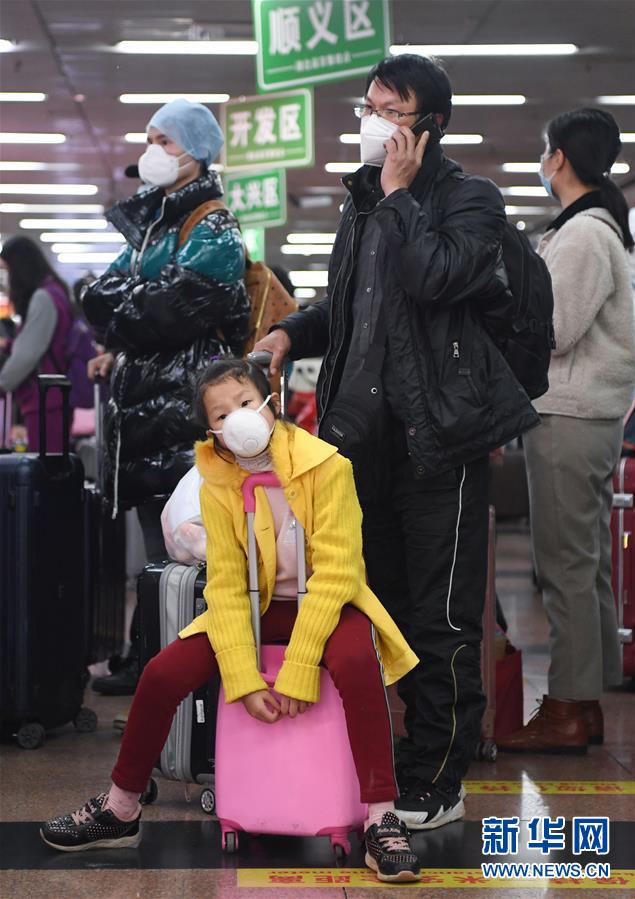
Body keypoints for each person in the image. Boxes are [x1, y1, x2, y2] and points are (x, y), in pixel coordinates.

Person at [254, 53, 538, 830]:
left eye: (391, 111)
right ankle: (395, 755)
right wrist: (288, 331)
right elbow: (351, 305)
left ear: (430, 125)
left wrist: (399, 195)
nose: (372, 122)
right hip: (360, 445)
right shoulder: (362, 202)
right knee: (376, 610)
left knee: (439, 616)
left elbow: (433, 276)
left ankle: (437, 777)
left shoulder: (468, 199)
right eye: (368, 106)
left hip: (437, 440)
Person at [41, 357, 422, 884]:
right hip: (253, 605)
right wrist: (243, 680)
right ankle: (120, 807)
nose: (236, 418)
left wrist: (298, 669)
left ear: (271, 403)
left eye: (245, 403)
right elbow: (223, 584)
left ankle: (382, 818)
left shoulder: (328, 466)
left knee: (358, 662)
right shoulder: (217, 482)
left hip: (328, 602)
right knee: (162, 673)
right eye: (220, 415)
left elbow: (339, 573)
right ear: (211, 431)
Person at [83, 99, 250, 695]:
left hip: (182, 415)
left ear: (198, 150)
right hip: (144, 418)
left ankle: (183, 668)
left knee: (186, 545)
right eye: (150, 138)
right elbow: (95, 295)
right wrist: (136, 303)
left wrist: (131, 306)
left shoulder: (213, 226)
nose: (153, 150)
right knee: (156, 552)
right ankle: (150, 656)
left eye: (166, 140)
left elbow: (170, 310)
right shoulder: (151, 224)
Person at [497, 108, 635, 755]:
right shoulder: (592, 228)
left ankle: (567, 708)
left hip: (570, 415)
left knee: (564, 566)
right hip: (588, 415)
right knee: (585, 564)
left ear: (558, 158)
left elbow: (554, 331)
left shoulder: (582, 235)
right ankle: (587, 699)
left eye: (544, 151)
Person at [0, 236, 77, 452]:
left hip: (46, 399)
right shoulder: (55, 291)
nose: (8, 279)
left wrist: (2, 383)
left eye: (8, 270)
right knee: (51, 460)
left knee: (45, 464)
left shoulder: (44, 297)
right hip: (51, 397)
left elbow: (28, 353)